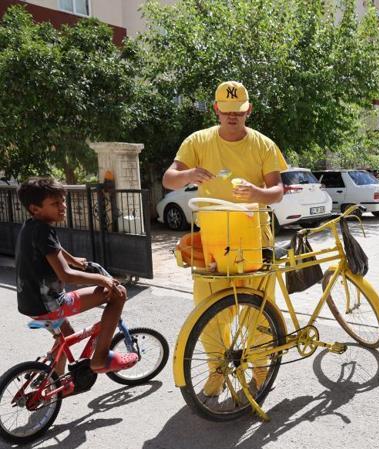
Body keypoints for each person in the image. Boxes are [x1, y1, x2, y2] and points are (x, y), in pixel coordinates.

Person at [162, 81, 287, 397]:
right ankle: (217, 371)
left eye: (239, 112)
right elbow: (169, 179)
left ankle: (261, 369)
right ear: (216, 109)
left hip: (255, 240)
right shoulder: (198, 141)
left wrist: (258, 193)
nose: (233, 116)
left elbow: (278, 191)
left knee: (258, 309)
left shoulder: (263, 145)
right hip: (214, 242)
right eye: (227, 111)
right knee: (209, 310)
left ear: (249, 110)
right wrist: (189, 175)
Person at [15, 177, 135, 388]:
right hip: (51, 304)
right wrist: (104, 280)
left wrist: (75, 261)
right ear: (35, 209)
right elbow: (66, 276)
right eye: (55, 203)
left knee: (67, 336)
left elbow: (55, 249)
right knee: (118, 294)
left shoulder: (31, 226)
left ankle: (52, 383)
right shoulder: (44, 231)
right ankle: (100, 358)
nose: (63, 207)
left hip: (30, 303)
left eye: (62, 201)